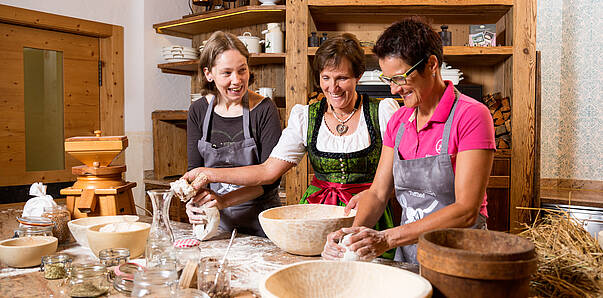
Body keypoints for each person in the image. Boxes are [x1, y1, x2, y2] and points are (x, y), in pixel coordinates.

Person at [184, 34, 400, 251]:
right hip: (318, 217)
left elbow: (401, 174)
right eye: (326, 78)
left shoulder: (382, 112)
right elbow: (269, 171)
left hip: (370, 215)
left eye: (342, 78)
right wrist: (207, 178)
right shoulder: (306, 117)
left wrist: (377, 193)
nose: (333, 87)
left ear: (358, 76)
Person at [321, 18, 496, 264]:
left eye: (400, 78)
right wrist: (351, 236)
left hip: (461, 260)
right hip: (409, 254)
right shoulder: (399, 120)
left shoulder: (471, 115)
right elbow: (379, 194)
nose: (394, 90)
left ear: (432, 65)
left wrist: (388, 239)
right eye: (389, 79)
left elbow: (466, 210)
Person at [184, 31, 283, 237]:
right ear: (209, 74)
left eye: (242, 70)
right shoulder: (199, 111)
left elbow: (270, 180)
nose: (237, 80)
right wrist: (194, 203)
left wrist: (224, 200)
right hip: (215, 223)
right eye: (227, 73)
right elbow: (195, 171)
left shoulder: (264, 110)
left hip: (262, 223)